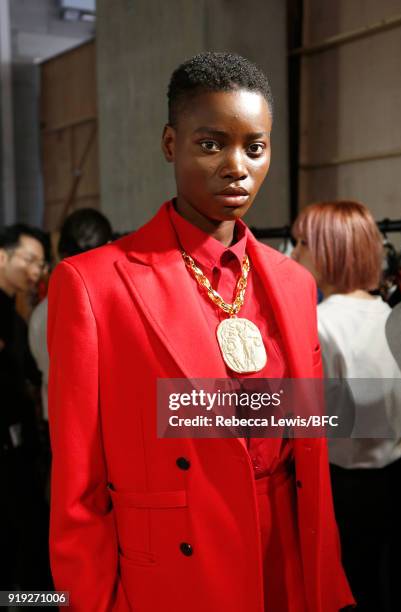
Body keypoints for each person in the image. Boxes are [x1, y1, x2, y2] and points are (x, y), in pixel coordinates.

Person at [48, 52, 354, 612]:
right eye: (210, 144)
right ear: (171, 144)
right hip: (175, 573)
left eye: (254, 148)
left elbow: (307, 452)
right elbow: (77, 488)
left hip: (287, 562)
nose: (236, 166)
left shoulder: (292, 283)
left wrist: (326, 582)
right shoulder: (93, 285)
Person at [292, 200, 401, 612]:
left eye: (300, 242)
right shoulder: (390, 315)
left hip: (344, 491)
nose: (294, 253)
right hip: (395, 480)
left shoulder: (319, 323)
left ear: (325, 249)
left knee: (349, 591)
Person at [0, 223, 52, 589]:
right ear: (2, 256)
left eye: (42, 265)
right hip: (7, 455)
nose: (35, 272)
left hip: (21, 452)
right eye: (29, 260)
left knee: (28, 547)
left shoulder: (17, 318)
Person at [29, 208, 113, 420]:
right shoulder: (119, 302)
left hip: (60, 421)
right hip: (107, 420)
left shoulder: (41, 313)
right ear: (109, 247)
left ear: (62, 253)